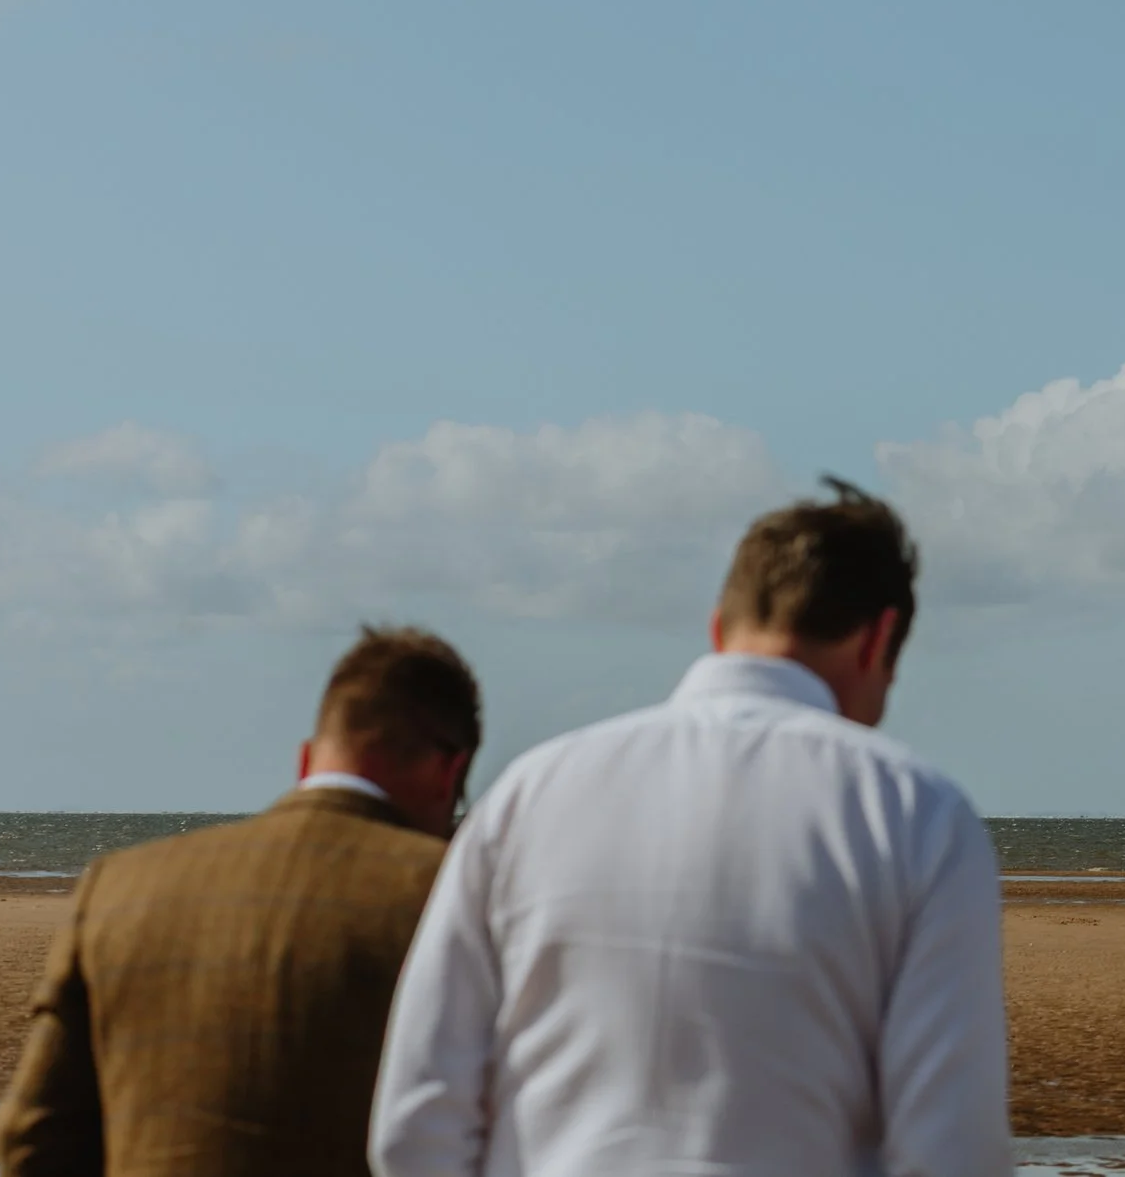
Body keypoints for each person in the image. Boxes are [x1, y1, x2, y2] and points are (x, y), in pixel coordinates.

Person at [371, 479, 1008, 1177]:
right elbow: (950, 1149)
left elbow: (417, 1120)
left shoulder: (528, 791)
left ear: (719, 627)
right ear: (879, 638)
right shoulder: (919, 814)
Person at [0, 626, 482, 1177]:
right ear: (449, 773)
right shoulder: (455, 892)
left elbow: (31, 1136)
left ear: (306, 760)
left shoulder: (118, 886)